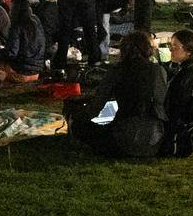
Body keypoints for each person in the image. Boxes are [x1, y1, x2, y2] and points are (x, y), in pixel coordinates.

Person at [71, 29, 167, 160]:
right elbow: (162, 101)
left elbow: (96, 107)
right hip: (155, 139)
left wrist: (77, 114)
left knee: (79, 127)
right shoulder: (158, 71)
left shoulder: (117, 71)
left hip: (123, 139)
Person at [0, 0, 48, 78]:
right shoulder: (35, 19)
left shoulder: (17, 25)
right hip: (38, 69)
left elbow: (11, 53)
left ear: (15, 10)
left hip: (22, 70)